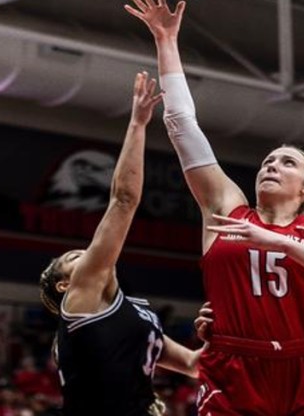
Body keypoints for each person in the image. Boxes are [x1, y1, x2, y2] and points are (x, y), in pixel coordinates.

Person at [126, 0, 304, 416]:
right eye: (268, 160)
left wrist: (283, 243)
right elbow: (182, 124)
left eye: (287, 162)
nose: (271, 165)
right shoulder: (226, 208)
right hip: (234, 363)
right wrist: (166, 41)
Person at [37, 72, 204, 416]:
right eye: (72, 257)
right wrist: (138, 123)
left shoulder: (137, 311)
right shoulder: (81, 297)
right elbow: (124, 200)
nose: (83, 251)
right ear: (66, 284)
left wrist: (225, 332)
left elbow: (193, 364)